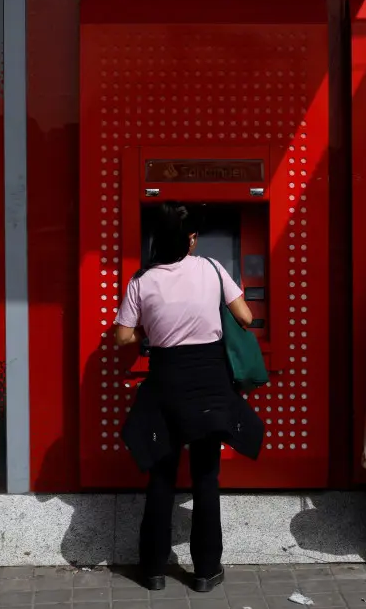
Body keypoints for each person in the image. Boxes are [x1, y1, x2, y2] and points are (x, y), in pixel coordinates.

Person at [114, 203, 264, 593]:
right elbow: (246, 317)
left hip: (166, 381)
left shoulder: (141, 280)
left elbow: (123, 337)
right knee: (205, 476)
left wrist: (154, 329)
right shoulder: (213, 269)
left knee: (161, 476)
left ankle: (152, 570)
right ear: (190, 239)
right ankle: (204, 571)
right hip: (210, 383)